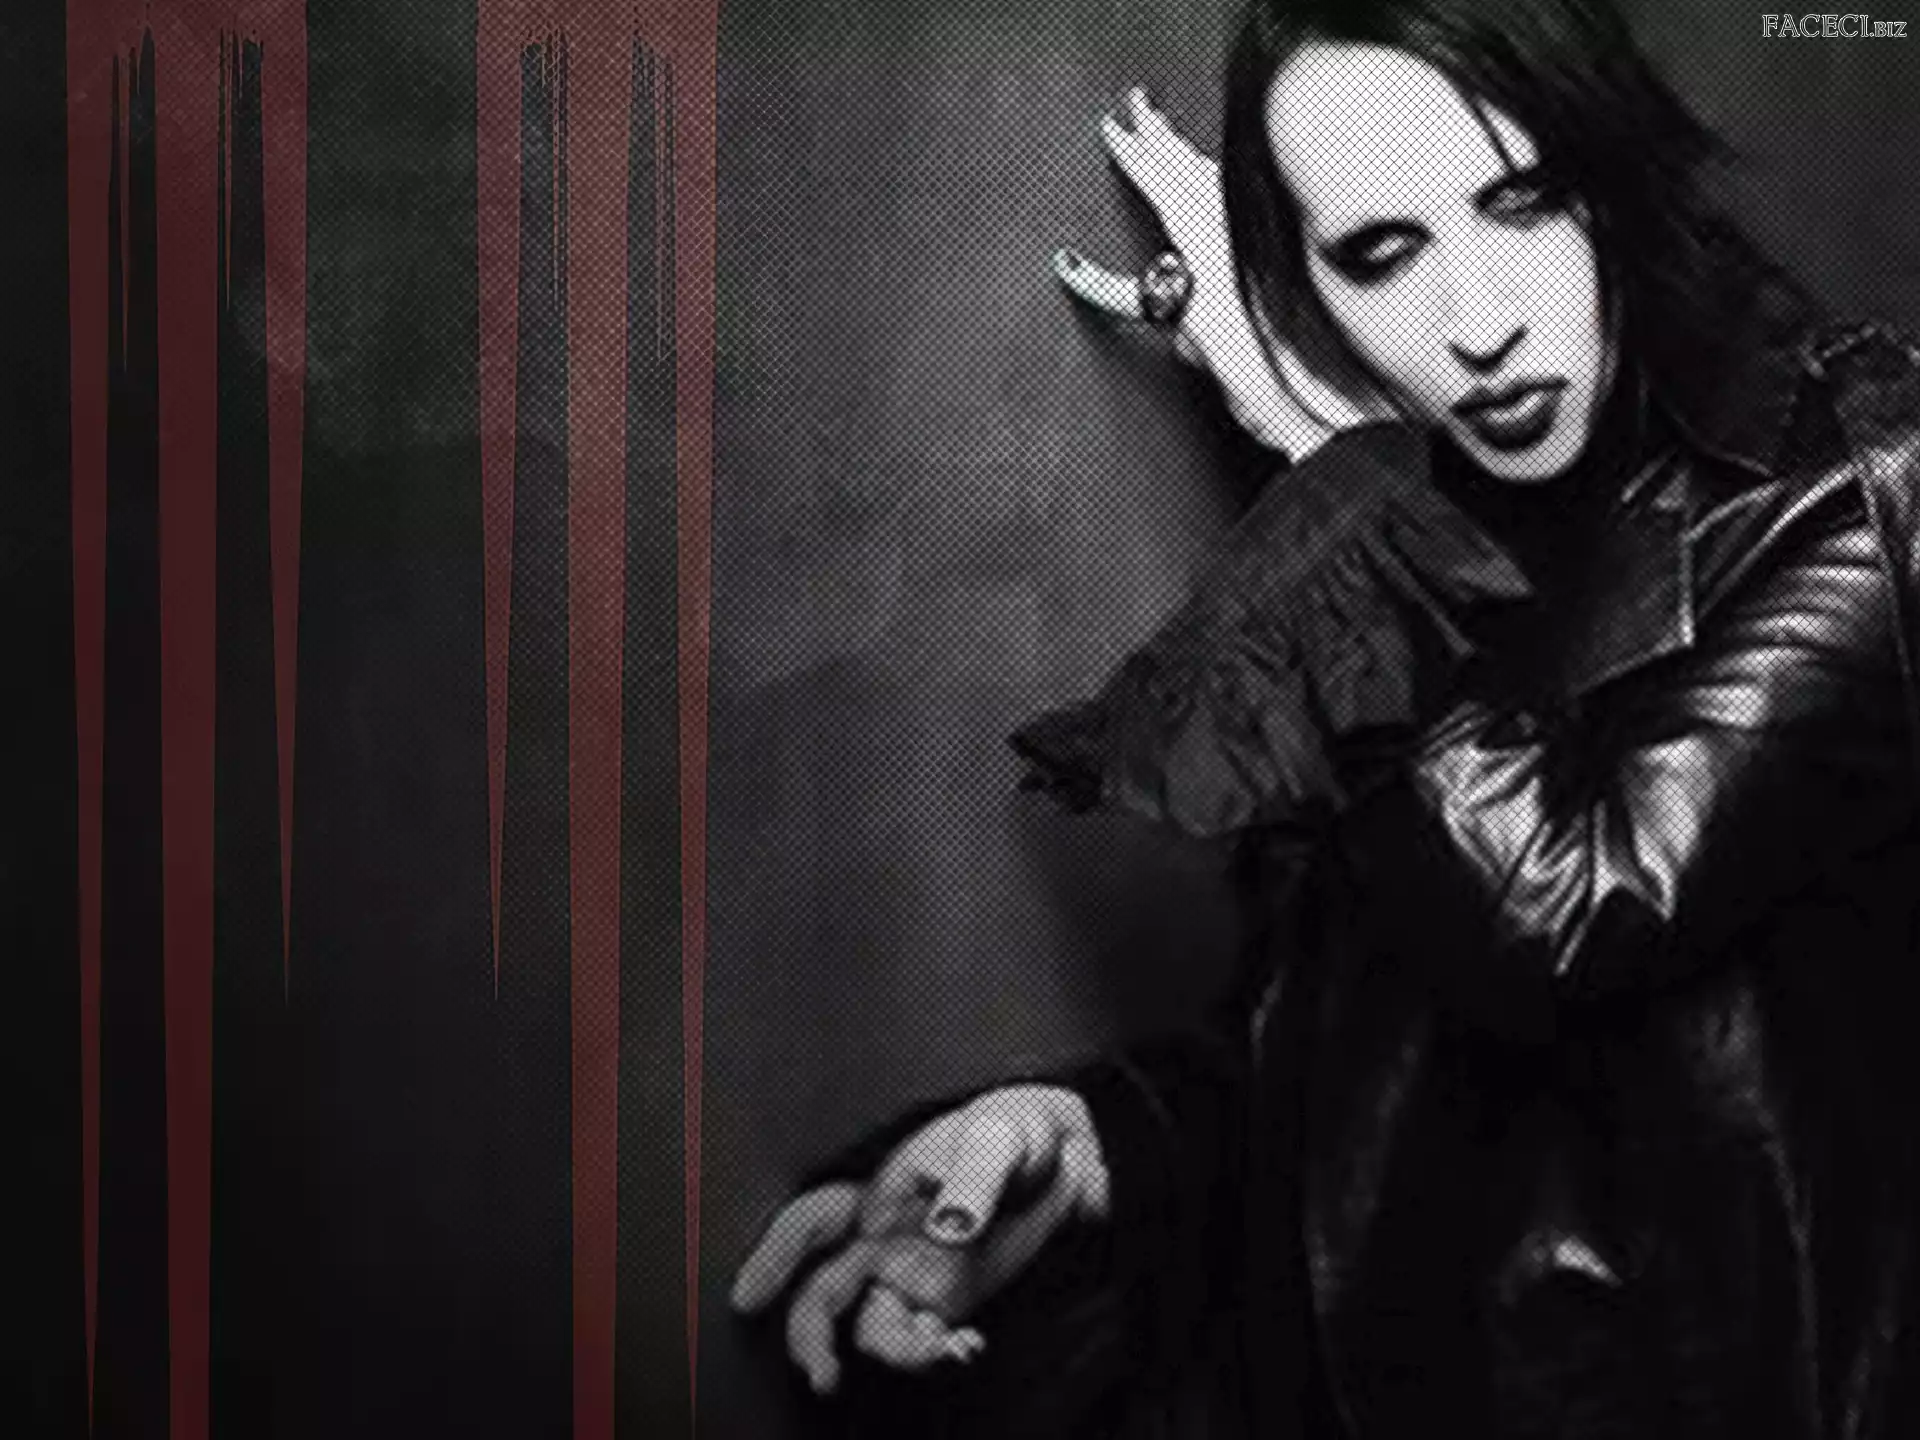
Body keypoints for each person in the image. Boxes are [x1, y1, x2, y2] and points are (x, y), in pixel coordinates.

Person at [731, 0, 1920, 1434]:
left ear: (1613, 168)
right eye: (1379, 252)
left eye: (1523, 202)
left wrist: (1326, 462)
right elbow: (1386, 1074)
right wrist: (1097, 1149)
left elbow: (1565, 917)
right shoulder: (1407, 520)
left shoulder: (1863, 477)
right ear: (1304, 290)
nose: (1479, 324)